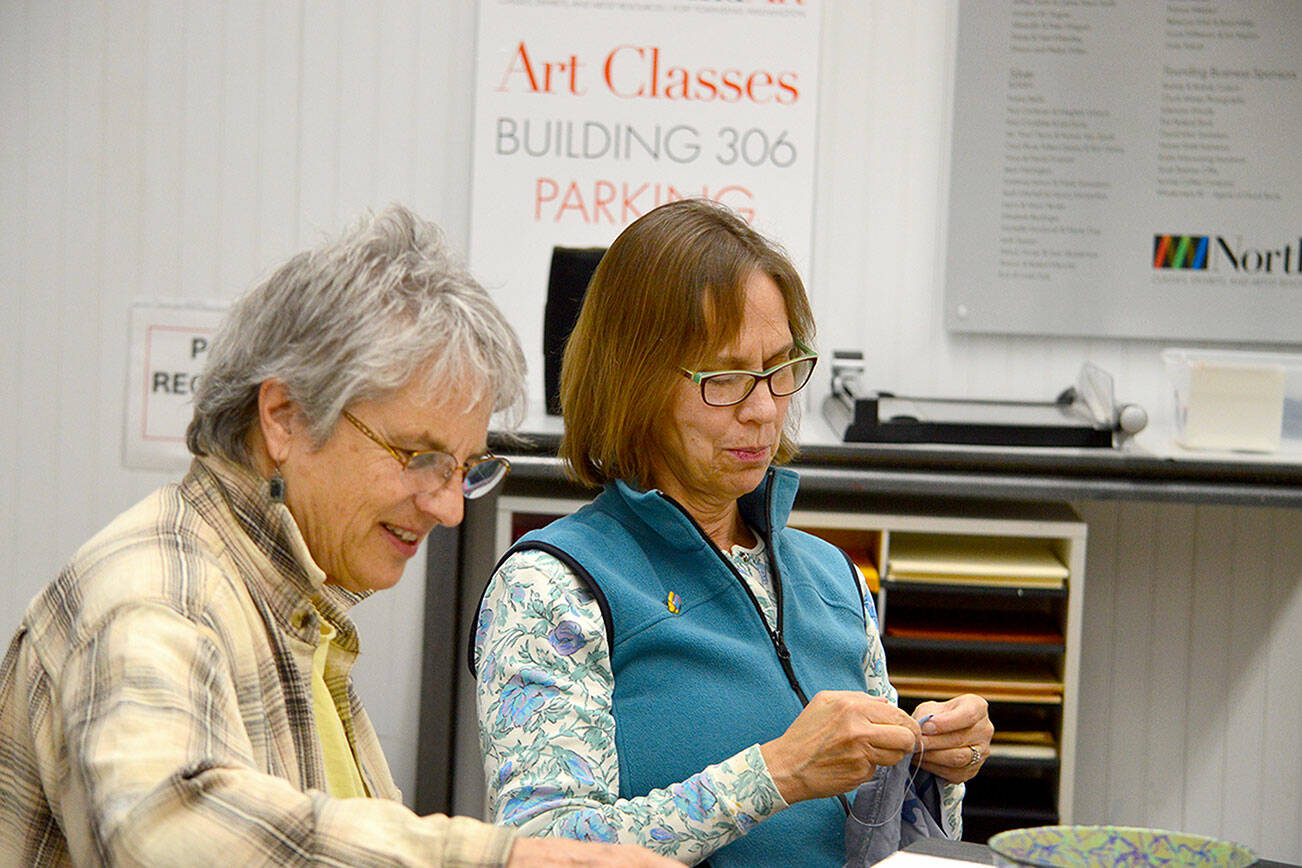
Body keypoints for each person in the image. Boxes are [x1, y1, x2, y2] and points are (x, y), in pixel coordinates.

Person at [0, 205, 677, 868]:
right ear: (285, 417)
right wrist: (510, 859)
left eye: (467, 470)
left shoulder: (295, 614)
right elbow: (166, 829)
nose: (450, 509)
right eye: (420, 455)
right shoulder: (155, 595)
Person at [471, 199, 994, 866]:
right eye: (725, 378)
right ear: (633, 382)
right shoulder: (553, 586)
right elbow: (541, 849)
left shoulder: (831, 574)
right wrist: (773, 774)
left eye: (780, 369)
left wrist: (935, 762)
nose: (764, 409)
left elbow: (881, 835)